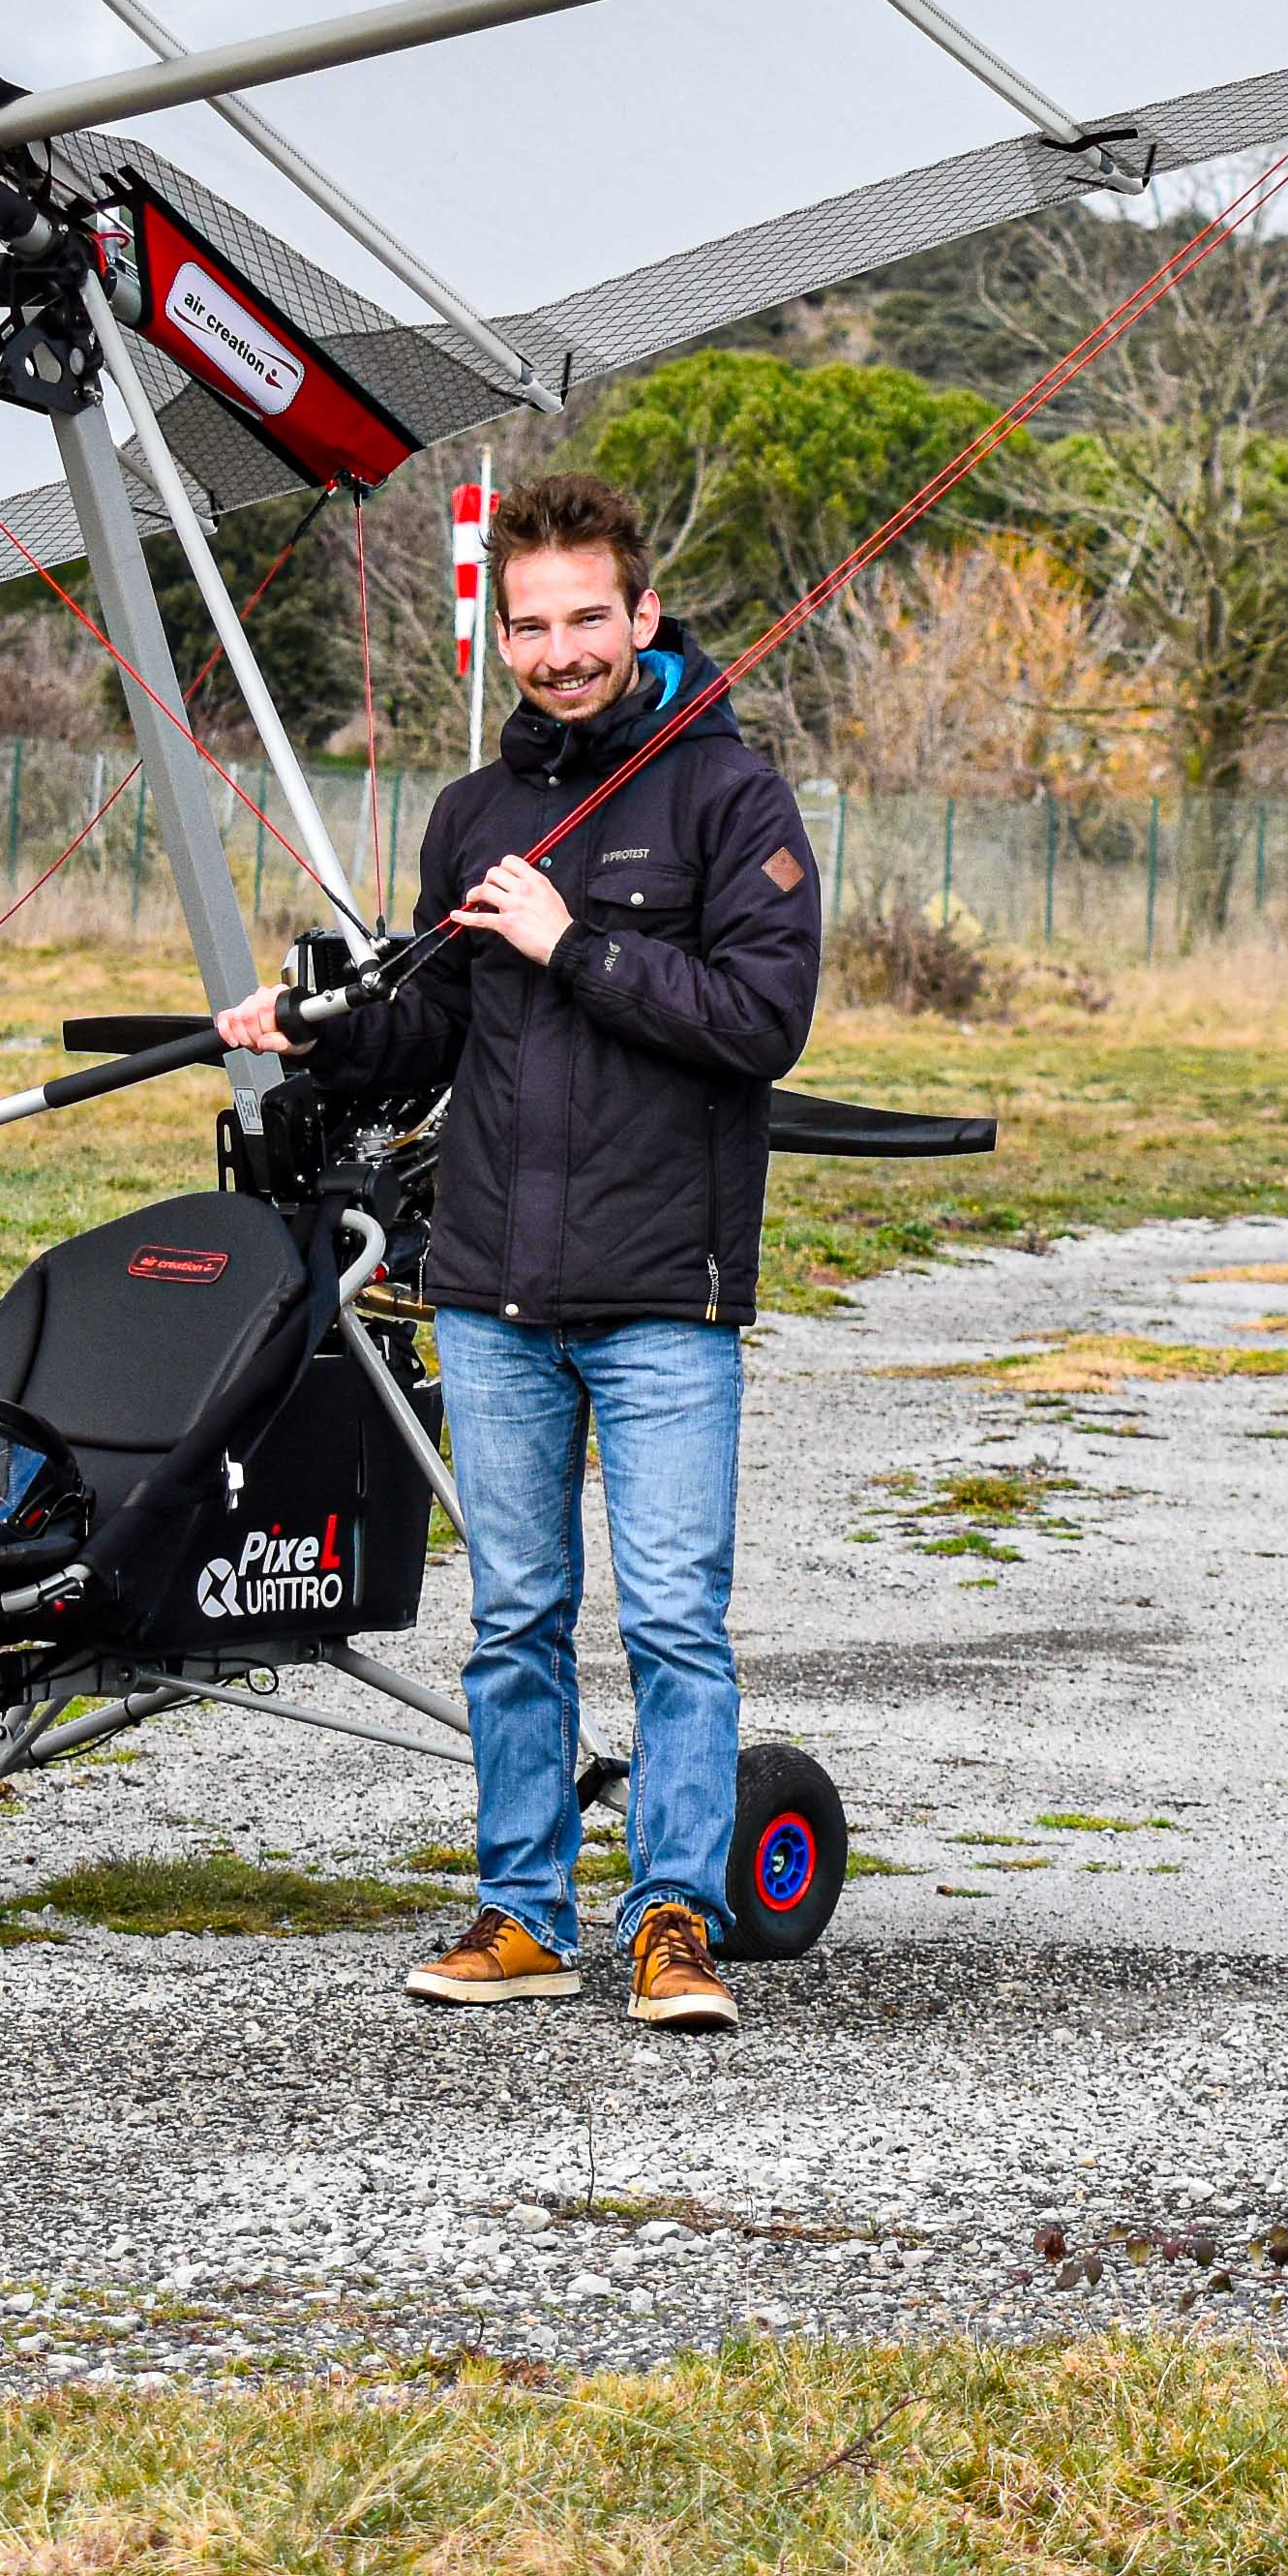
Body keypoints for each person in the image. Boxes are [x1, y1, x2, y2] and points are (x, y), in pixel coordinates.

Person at [217, 470, 819, 2032]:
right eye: (531, 626)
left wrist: (577, 944)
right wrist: (315, 1033)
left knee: (676, 1621)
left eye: (585, 620)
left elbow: (762, 1023)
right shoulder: (472, 815)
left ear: (643, 614)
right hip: (489, 1285)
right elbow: (430, 1030)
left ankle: (674, 1921)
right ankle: (523, 1911)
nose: (558, 652)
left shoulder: (729, 798)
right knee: (516, 1619)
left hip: (664, 1294)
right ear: (503, 635)